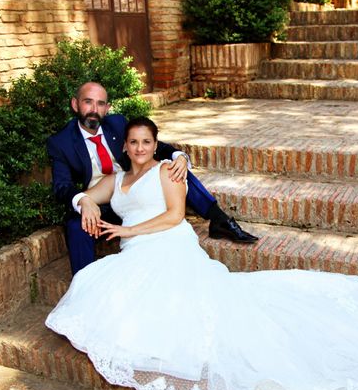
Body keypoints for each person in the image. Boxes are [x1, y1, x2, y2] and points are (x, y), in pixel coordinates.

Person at [45, 117, 358, 390]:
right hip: (135, 250)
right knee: (98, 284)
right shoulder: (117, 177)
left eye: (147, 142)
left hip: (167, 243)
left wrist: (128, 231)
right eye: (133, 142)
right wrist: (87, 202)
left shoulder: (166, 170)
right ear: (124, 146)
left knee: (178, 302)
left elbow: (175, 215)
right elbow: (88, 195)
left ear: (155, 145)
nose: (140, 147)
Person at [48, 81, 258, 275]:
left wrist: (179, 156)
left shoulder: (117, 123)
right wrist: (83, 201)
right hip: (102, 199)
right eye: (88, 102)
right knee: (76, 225)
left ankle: (218, 218)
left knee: (175, 169)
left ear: (107, 107)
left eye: (100, 103)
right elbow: (62, 186)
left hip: (135, 188)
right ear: (75, 104)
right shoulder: (61, 142)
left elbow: (149, 143)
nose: (94, 109)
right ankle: (85, 283)